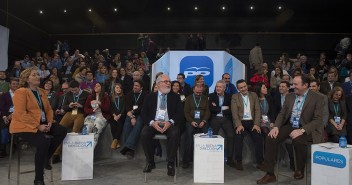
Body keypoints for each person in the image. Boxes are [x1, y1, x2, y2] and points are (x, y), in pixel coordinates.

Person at [257, 75, 323, 184]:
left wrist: (301, 130)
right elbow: (282, 114)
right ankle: (270, 174)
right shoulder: (290, 96)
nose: (293, 86)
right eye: (293, 84)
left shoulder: (317, 98)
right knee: (270, 137)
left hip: (307, 127)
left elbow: (318, 120)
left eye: (296, 84)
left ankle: (299, 169)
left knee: (298, 140)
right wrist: (276, 127)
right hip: (291, 125)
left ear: (305, 85)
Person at [9, 67, 67, 185]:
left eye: (37, 74)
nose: (37, 76)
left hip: (41, 123)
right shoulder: (21, 92)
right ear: (27, 79)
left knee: (61, 131)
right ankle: (38, 179)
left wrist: (50, 122)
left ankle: (46, 158)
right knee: (44, 142)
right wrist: (37, 126)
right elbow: (21, 114)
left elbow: (49, 109)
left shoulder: (41, 91)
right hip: (23, 126)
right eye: (34, 75)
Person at [140, 74, 184, 176]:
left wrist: (170, 122)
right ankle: (150, 161)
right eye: (166, 81)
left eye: (169, 81)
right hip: (154, 123)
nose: (169, 83)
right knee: (144, 133)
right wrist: (152, 122)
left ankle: (170, 163)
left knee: (174, 133)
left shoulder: (176, 97)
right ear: (158, 84)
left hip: (169, 123)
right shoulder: (149, 97)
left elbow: (180, 114)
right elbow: (144, 113)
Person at [52, 80, 89, 163]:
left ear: (79, 87)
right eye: (72, 90)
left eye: (75, 90)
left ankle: (72, 154)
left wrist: (81, 106)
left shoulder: (86, 94)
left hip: (80, 113)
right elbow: (64, 107)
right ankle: (56, 153)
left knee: (75, 131)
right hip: (70, 112)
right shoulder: (69, 94)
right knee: (60, 129)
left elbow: (88, 108)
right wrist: (69, 105)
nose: (74, 92)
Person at [231, 79, 263, 170]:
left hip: (252, 121)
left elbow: (257, 110)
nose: (244, 89)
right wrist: (238, 125)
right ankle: (238, 161)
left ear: (247, 86)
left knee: (258, 137)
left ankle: (260, 162)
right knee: (238, 136)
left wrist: (257, 124)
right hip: (241, 121)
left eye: (245, 86)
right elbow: (234, 113)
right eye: (241, 88)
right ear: (238, 89)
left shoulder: (254, 95)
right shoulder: (234, 97)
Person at [182, 83, 210, 168]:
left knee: (206, 135)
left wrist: (204, 121)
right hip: (191, 121)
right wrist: (191, 121)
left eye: (200, 92)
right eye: (197, 92)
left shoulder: (205, 99)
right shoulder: (188, 99)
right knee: (189, 136)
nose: (198, 94)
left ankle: (206, 158)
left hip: (202, 121)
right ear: (193, 90)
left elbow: (208, 111)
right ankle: (186, 160)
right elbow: (186, 112)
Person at [208, 80, 235, 167]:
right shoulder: (211, 96)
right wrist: (223, 108)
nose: (218, 88)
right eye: (217, 86)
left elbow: (231, 109)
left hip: (226, 118)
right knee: (213, 136)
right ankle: (213, 157)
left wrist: (218, 107)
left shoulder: (230, 96)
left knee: (231, 136)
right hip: (215, 118)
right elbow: (211, 109)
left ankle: (230, 158)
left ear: (224, 88)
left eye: (220, 87)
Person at [120, 80, 147, 159]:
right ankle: (130, 150)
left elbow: (143, 107)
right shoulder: (129, 94)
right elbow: (127, 107)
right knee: (127, 125)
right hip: (130, 114)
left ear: (141, 87)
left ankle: (127, 147)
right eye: (134, 85)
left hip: (141, 114)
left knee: (138, 124)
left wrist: (133, 112)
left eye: (137, 86)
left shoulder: (145, 95)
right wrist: (132, 117)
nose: (135, 87)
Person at [83, 82, 111, 148]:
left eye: (98, 86)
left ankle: (90, 151)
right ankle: (83, 150)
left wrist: (100, 103)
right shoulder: (90, 96)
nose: (96, 87)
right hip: (92, 115)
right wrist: (92, 110)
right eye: (95, 86)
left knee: (96, 130)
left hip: (101, 116)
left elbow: (107, 109)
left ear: (102, 88)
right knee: (87, 128)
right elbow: (86, 108)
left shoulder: (105, 96)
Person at [0, 78, 19, 157]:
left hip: (17, 116)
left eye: (16, 84)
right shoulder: (4, 95)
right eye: (13, 84)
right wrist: (4, 117)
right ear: (10, 85)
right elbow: (2, 107)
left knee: (15, 132)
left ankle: (14, 147)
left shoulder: (20, 95)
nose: (15, 85)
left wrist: (14, 114)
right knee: (4, 133)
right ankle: (3, 149)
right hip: (6, 116)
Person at [109, 83, 126, 150]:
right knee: (112, 124)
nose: (119, 89)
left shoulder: (124, 97)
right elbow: (110, 108)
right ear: (114, 89)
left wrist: (119, 115)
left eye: (120, 88)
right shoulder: (111, 98)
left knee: (119, 123)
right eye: (117, 88)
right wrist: (114, 115)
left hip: (122, 115)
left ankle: (115, 140)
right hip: (114, 116)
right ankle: (116, 141)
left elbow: (124, 108)